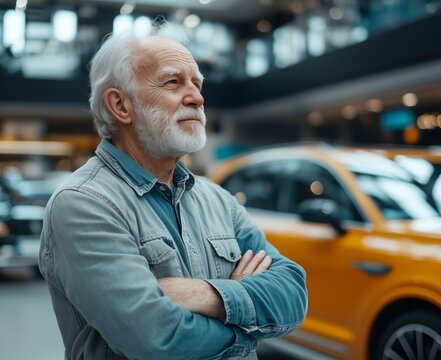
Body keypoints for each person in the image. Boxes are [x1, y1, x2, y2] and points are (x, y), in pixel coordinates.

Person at [38, 22, 307, 360]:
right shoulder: (82, 204)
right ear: (121, 106)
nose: (197, 97)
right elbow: (156, 339)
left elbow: (294, 294)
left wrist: (210, 296)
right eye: (173, 82)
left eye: (197, 83)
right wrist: (247, 327)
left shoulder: (217, 199)